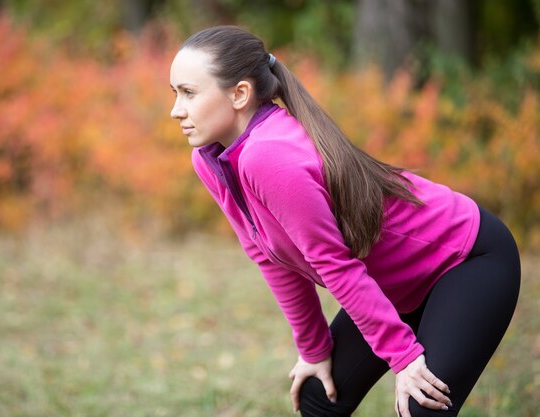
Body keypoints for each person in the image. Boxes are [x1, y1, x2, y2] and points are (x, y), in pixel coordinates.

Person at [169, 25, 520, 417]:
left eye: (189, 93)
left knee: (420, 408)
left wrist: (403, 358)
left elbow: (334, 264)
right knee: (319, 398)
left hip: (464, 260)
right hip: (394, 282)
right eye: (175, 93)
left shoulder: (267, 156)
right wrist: (314, 350)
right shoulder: (211, 159)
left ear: (239, 94)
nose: (176, 109)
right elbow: (268, 257)